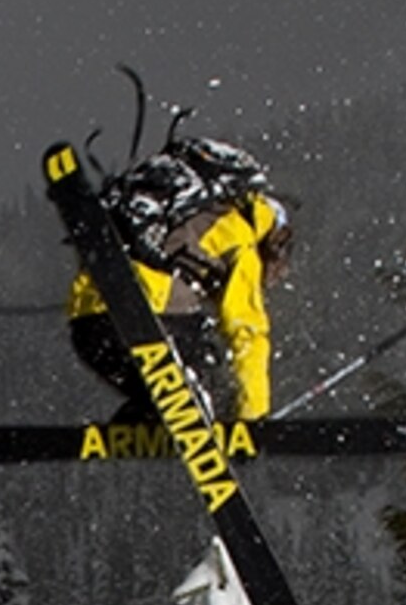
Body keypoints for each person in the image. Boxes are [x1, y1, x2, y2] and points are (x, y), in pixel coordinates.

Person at [67, 134, 292, 425]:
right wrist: (253, 419)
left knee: (157, 384)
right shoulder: (240, 233)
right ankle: (200, 406)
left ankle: (148, 414)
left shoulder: (186, 215)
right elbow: (246, 331)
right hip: (151, 322)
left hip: (89, 328)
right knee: (211, 374)